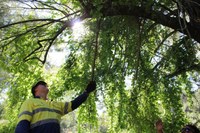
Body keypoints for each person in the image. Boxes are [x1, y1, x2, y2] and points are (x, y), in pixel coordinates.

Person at [15, 80, 96, 133]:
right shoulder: (30, 102)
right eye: (43, 84)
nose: (46, 85)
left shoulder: (55, 104)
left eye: (46, 85)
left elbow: (73, 104)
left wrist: (86, 92)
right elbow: (23, 123)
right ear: (35, 89)